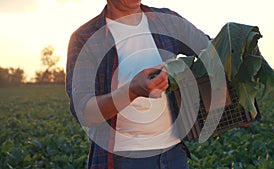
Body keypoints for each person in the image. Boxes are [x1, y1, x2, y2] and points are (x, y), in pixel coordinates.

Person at [66, 0, 210, 168]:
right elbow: (85, 111)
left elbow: (213, 51)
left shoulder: (167, 20)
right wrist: (131, 91)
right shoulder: (85, 38)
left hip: (174, 155)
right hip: (124, 159)